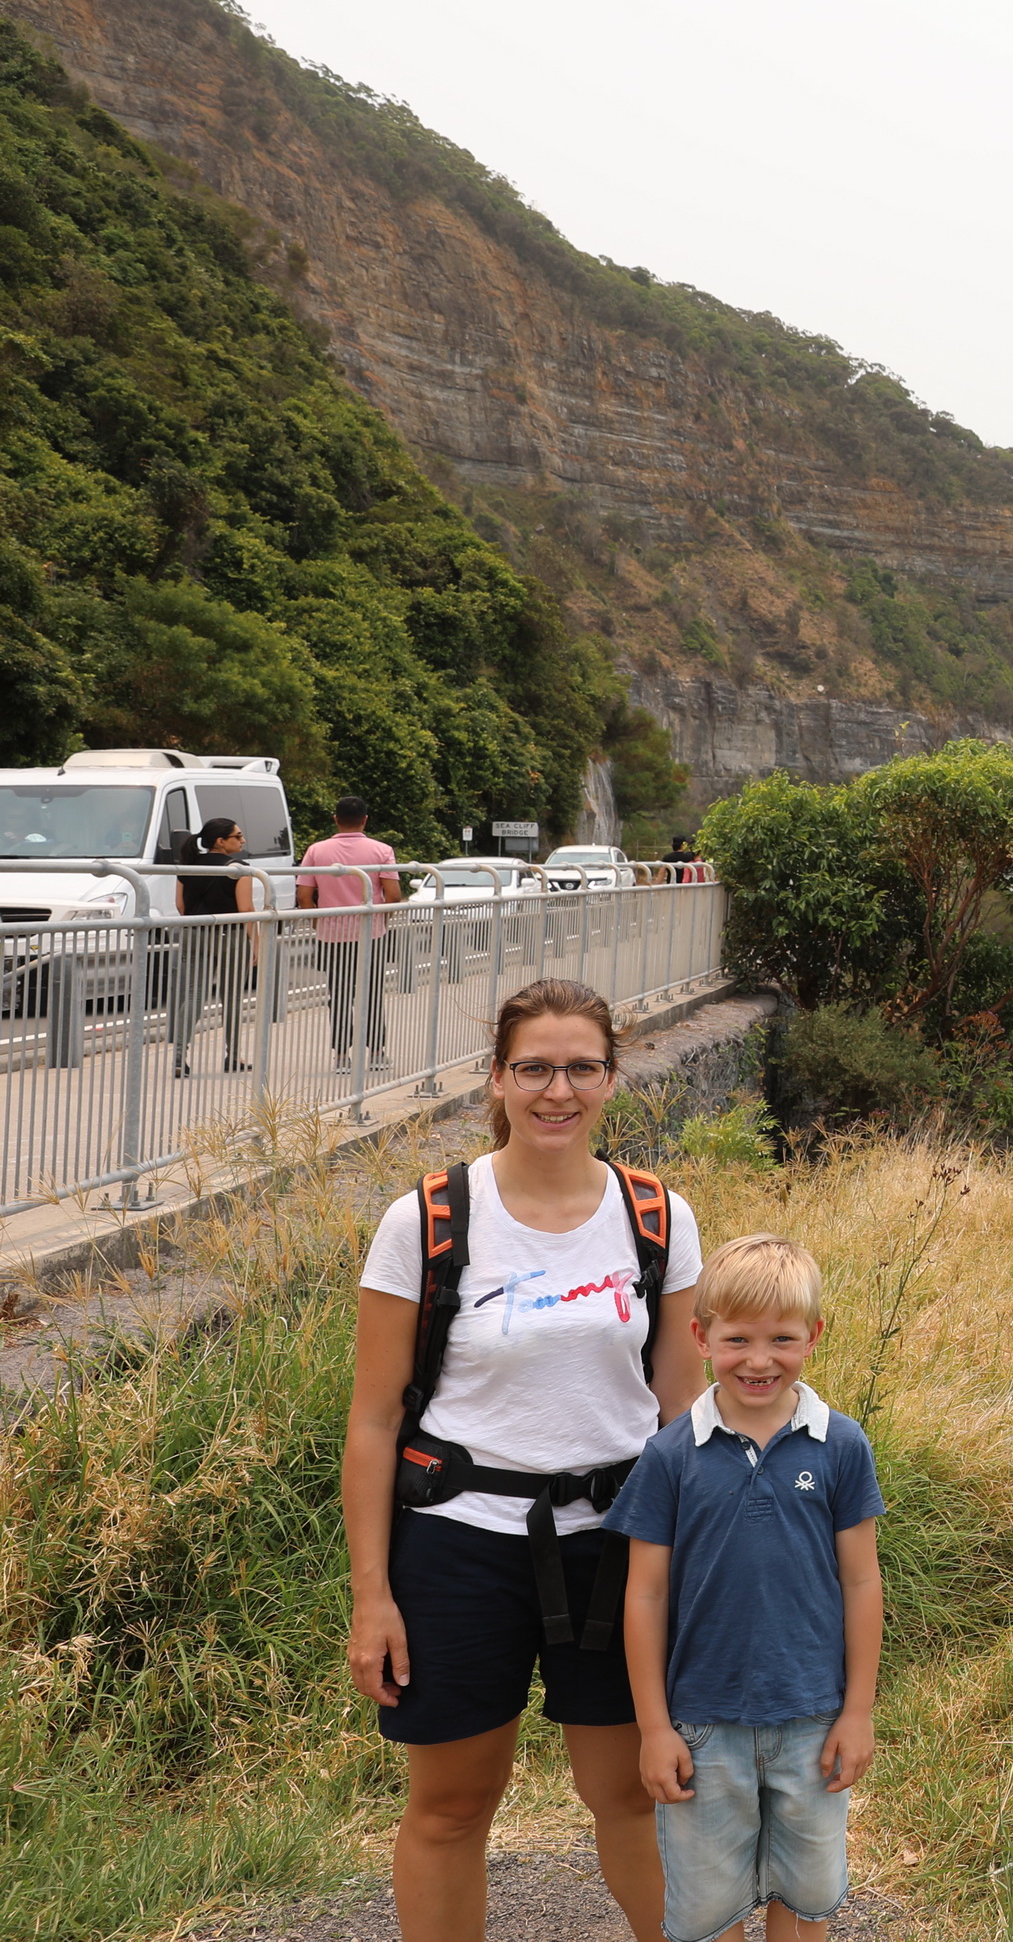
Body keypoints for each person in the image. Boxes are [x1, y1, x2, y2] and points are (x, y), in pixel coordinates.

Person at [342, 978, 704, 1942]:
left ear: (613, 1079)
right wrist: (373, 1595)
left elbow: (684, 1408)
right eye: (534, 1068)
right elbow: (375, 1420)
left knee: (633, 1791)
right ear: (496, 1079)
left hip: (622, 1543)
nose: (558, 1091)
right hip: (459, 1542)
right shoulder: (426, 1219)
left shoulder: (656, 1214)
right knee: (454, 1805)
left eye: (582, 1067)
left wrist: (719, 1556)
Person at [612, 1234, 885, 1942]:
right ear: (700, 1337)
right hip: (703, 1723)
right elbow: (643, 1595)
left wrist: (857, 1712)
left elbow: (861, 1581)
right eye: (737, 1339)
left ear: (814, 1337)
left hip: (813, 1718)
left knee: (807, 1893)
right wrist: (653, 1728)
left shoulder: (842, 1446)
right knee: (709, 1907)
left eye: (781, 1339)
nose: (759, 1360)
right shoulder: (671, 1455)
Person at [300, 794, 404, 1070]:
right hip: (371, 934)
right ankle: (377, 1053)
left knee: (339, 994)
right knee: (372, 993)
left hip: (331, 934)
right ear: (365, 820)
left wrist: (319, 923)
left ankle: (341, 1056)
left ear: (335, 819)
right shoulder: (382, 850)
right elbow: (393, 894)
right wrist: (380, 921)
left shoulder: (316, 851)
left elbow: (304, 895)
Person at [170, 813, 261, 1078]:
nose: (242, 840)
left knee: (194, 995)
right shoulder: (239, 869)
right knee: (231, 997)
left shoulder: (188, 865)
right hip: (230, 935)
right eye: (237, 836)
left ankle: (179, 1055)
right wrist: (254, 943)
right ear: (221, 841)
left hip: (194, 933)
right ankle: (233, 1055)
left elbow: (181, 906)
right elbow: (246, 909)